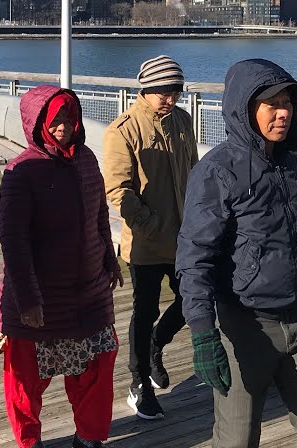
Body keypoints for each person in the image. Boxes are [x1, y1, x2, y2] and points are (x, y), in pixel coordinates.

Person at [176, 58, 297, 448]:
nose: (283, 112)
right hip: (245, 326)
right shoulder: (217, 171)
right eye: (272, 104)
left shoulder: (292, 166)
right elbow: (194, 256)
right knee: (236, 440)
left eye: (288, 103)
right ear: (245, 108)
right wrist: (203, 334)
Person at [0, 85, 122, 448]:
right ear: (38, 124)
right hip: (38, 300)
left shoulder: (87, 159)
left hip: (89, 294)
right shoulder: (21, 171)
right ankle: (29, 442)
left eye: (69, 118)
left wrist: (110, 261)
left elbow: (98, 216)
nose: (63, 126)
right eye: (55, 120)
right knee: (25, 382)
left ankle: (90, 437)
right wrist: (28, 300)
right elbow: (13, 241)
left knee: (97, 368)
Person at [103, 55, 199, 421]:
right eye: (162, 91)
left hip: (186, 236)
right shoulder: (122, 130)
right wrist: (149, 223)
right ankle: (138, 381)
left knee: (194, 300)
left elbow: (193, 170)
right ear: (145, 88)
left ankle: (157, 344)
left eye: (174, 90)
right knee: (144, 310)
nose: (169, 97)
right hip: (145, 240)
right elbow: (118, 189)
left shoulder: (183, 121)